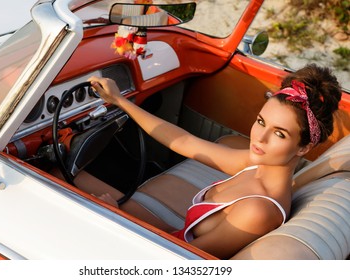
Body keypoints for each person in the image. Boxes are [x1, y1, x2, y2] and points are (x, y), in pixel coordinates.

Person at [84, 64, 341, 259]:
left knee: (64, 179)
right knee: (68, 176)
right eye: (261, 122)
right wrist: (120, 101)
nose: (259, 137)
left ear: (304, 147)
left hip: (161, 248)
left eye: (279, 133)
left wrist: (116, 216)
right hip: (171, 231)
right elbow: (185, 142)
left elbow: (180, 257)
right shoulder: (257, 165)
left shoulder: (258, 210)